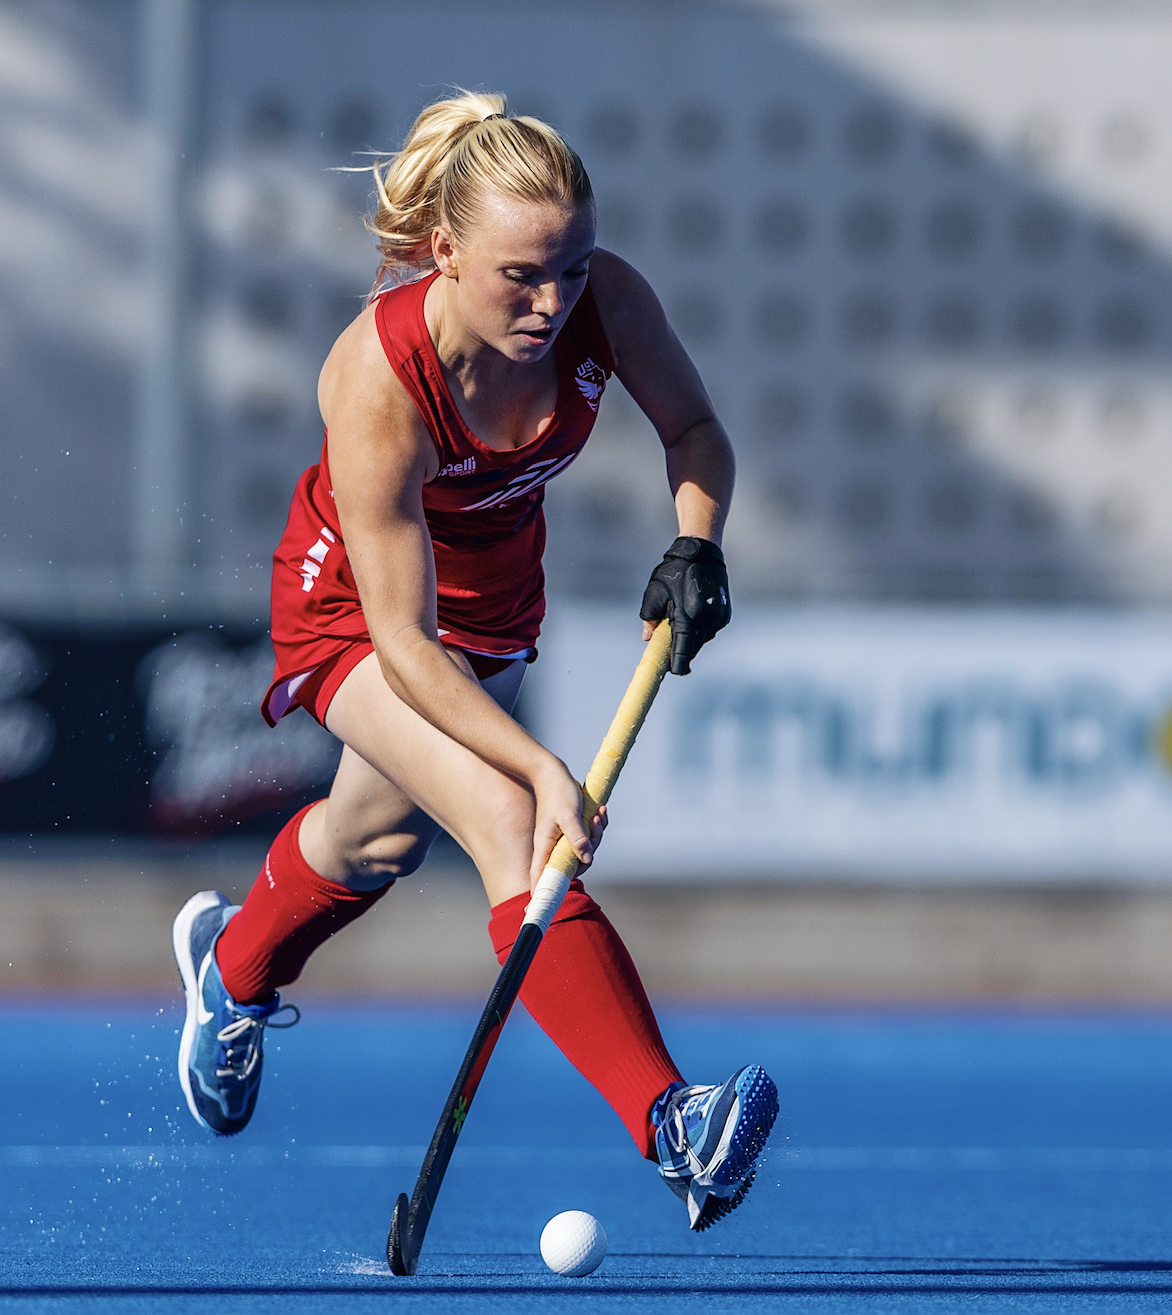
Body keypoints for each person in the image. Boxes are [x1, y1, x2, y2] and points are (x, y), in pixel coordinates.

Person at [172, 91, 777, 1232]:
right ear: (445, 252)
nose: (552, 303)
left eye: (571, 269)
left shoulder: (606, 300)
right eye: (521, 277)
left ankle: (232, 972)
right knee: (512, 820)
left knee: (375, 838)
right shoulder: (378, 377)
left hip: (496, 602)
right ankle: (673, 1123)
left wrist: (697, 543)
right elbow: (403, 644)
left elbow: (695, 431)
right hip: (359, 613)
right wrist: (543, 767)